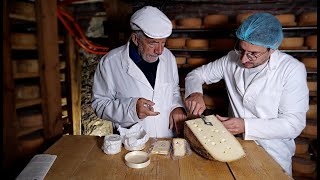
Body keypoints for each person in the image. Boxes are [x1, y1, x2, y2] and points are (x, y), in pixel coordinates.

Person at [184, 12, 309, 176]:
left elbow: (293, 124)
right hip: (233, 147)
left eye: (253, 54)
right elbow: (195, 75)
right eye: (241, 49)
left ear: (271, 49)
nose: (243, 59)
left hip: (272, 154)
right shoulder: (231, 58)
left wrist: (246, 126)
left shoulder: (291, 70)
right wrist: (195, 93)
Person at [91, 6, 187, 138]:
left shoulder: (168, 57)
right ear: (136, 39)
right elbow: (99, 104)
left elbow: (174, 90)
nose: (159, 51)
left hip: (166, 138)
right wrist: (131, 109)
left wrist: (176, 107)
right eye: (153, 43)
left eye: (163, 43)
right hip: (132, 142)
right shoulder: (110, 63)